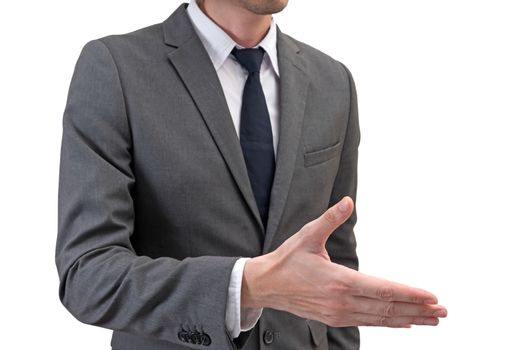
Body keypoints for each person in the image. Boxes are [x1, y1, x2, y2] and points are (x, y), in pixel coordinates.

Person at [55, 1, 447, 349]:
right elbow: (88, 275)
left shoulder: (333, 82)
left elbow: (337, 261)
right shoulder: (116, 68)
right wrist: (247, 285)